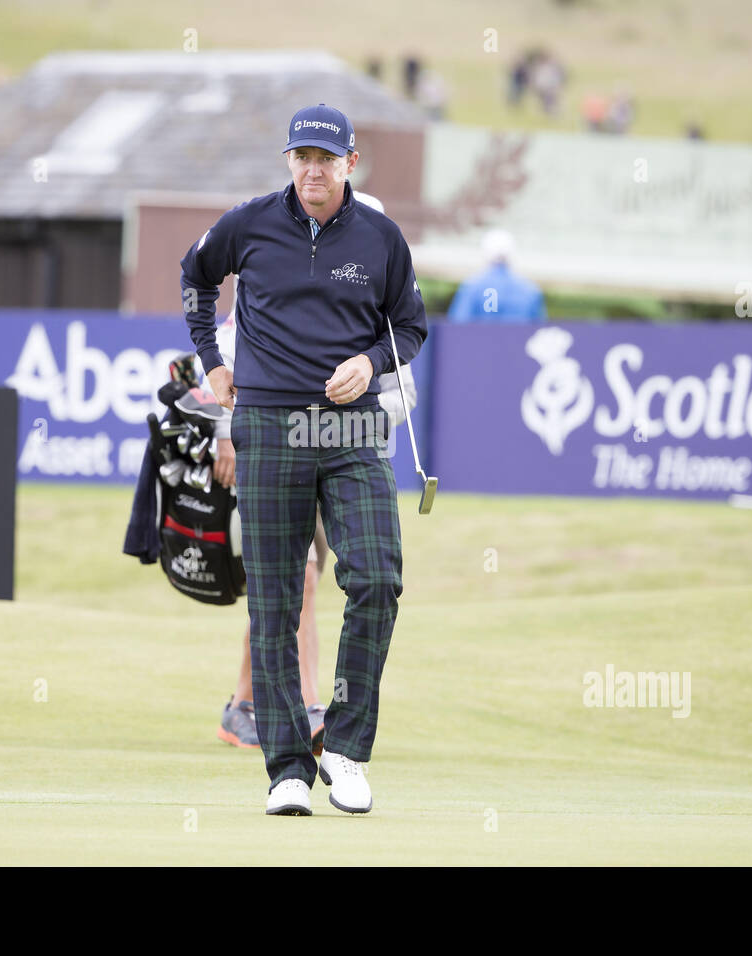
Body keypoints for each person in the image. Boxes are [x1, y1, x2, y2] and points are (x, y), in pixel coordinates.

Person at [181, 103, 428, 816]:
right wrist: (212, 363)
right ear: (289, 161)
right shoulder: (249, 223)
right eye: (302, 157)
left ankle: (346, 752)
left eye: (327, 158)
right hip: (267, 426)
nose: (313, 169)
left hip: (351, 432)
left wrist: (370, 359)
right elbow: (196, 278)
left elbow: (410, 325)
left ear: (351, 163)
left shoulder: (381, 237)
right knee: (275, 604)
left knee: (377, 578)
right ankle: (287, 768)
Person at [209, 194, 418, 757]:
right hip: (271, 452)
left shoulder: (375, 300)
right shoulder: (275, 284)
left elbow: (402, 391)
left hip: (347, 461)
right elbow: (226, 371)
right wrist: (225, 436)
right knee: (290, 581)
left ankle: (243, 703)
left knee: (318, 582)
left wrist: (362, 388)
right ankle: (302, 705)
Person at [447, 228, 546, 322]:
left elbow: (458, 325)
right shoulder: (530, 290)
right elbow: (538, 330)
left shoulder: (472, 287)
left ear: (485, 253)